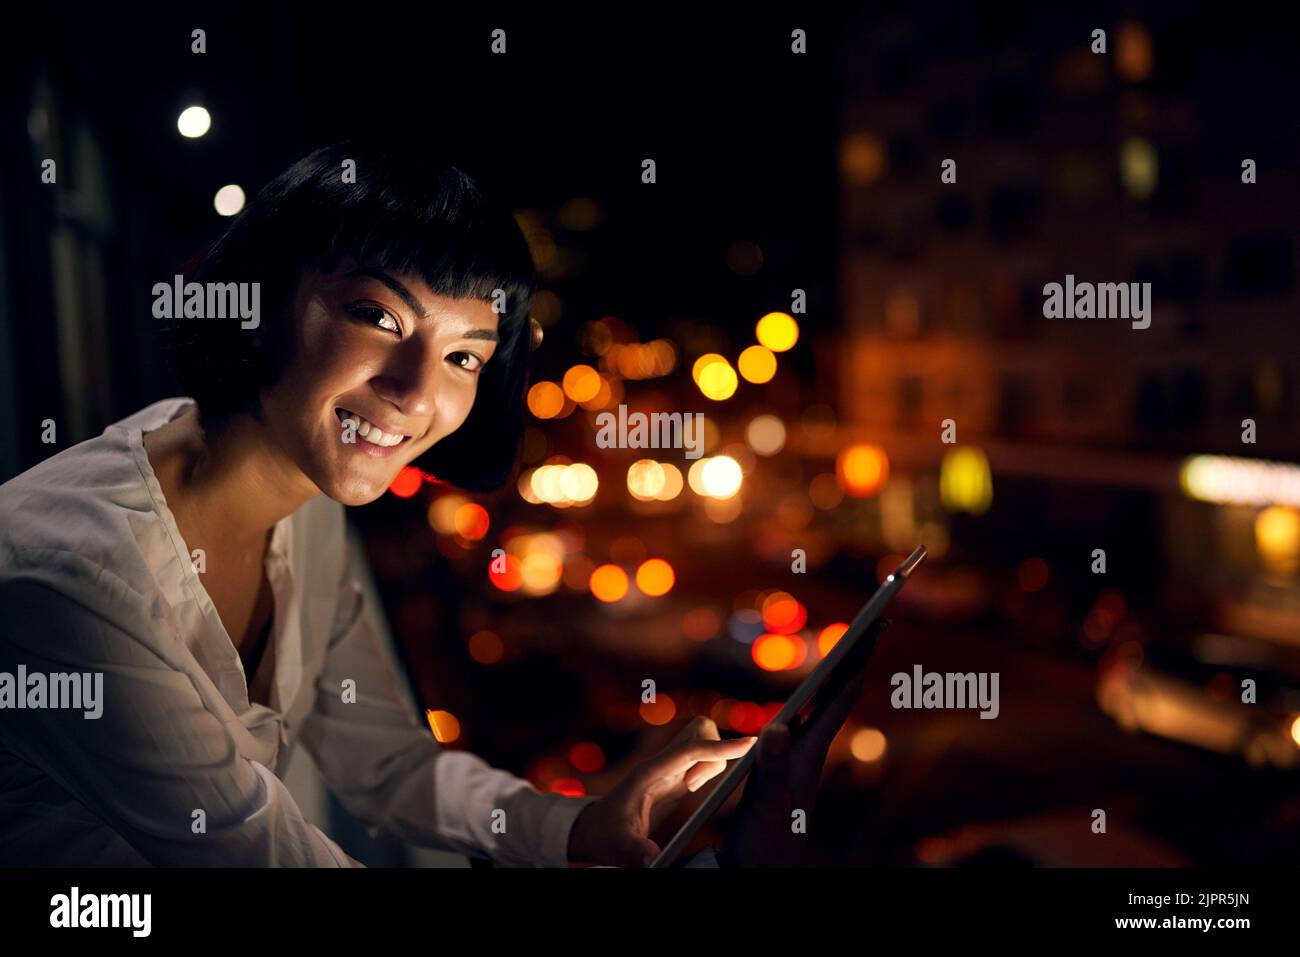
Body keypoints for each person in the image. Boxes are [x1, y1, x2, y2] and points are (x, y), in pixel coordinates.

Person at [0, 142, 865, 867]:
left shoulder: (305, 501)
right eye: (377, 316)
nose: (418, 394)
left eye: (464, 358)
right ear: (259, 302)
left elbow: (386, 761)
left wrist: (578, 826)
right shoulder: (73, 576)